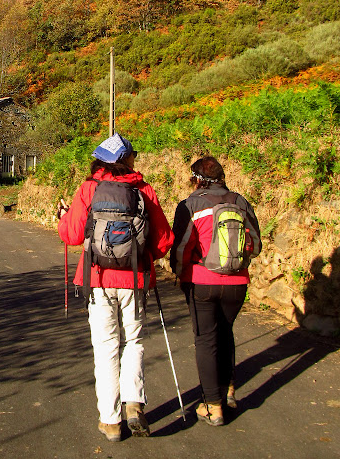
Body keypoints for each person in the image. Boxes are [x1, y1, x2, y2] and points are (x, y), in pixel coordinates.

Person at [57, 133, 174, 442]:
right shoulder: (143, 190)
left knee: (106, 346)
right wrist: (143, 254)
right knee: (133, 341)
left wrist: (64, 217)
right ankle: (134, 403)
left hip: (96, 279)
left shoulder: (88, 189)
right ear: (128, 160)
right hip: (135, 279)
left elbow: (71, 235)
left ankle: (110, 422)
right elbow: (164, 240)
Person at [170, 156, 261, 426]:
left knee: (206, 340)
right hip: (237, 283)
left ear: (197, 180)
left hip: (201, 281)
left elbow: (181, 248)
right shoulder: (240, 202)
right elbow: (255, 245)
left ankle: (213, 406)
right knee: (225, 332)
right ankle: (228, 390)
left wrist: (179, 272)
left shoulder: (190, 205)